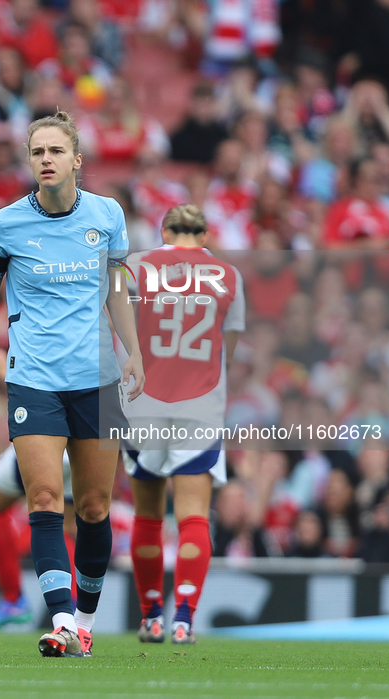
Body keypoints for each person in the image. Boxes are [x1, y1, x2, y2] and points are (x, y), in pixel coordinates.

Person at [0, 111, 144, 658]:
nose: (45, 160)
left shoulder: (107, 215)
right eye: (37, 151)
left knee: (92, 507)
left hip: (99, 381)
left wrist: (134, 354)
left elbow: (116, 290)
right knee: (42, 498)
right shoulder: (4, 225)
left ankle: (84, 621)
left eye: (55, 151)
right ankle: (61, 620)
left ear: (76, 160)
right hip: (34, 380)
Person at [122, 204, 245, 644]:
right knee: (193, 516)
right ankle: (184, 619)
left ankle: (151, 615)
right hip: (199, 404)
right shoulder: (228, 276)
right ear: (206, 234)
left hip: (143, 404)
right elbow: (226, 348)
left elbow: (117, 327)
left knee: (148, 516)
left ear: (163, 230)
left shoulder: (136, 266)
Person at [0, 346, 76, 630]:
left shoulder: (50, 329)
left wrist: (7, 374)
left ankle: (13, 598)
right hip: (85, 440)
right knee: (65, 524)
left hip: (48, 434)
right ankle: (75, 609)